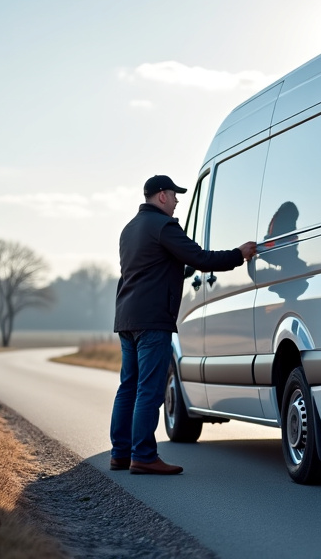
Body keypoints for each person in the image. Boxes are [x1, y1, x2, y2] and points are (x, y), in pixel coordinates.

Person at [110, 174, 257, 475]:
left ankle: (120, 454)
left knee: (128, 387)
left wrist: (182, 267)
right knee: (149, 390)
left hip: (127, 318)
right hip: (153, 321)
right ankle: (145, 456)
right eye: (174, 195)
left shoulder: (130, 229)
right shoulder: (163, 226)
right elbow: (200, 258)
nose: (177, 201)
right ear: (161, 196)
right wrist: (238, 256)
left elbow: (157, 266)